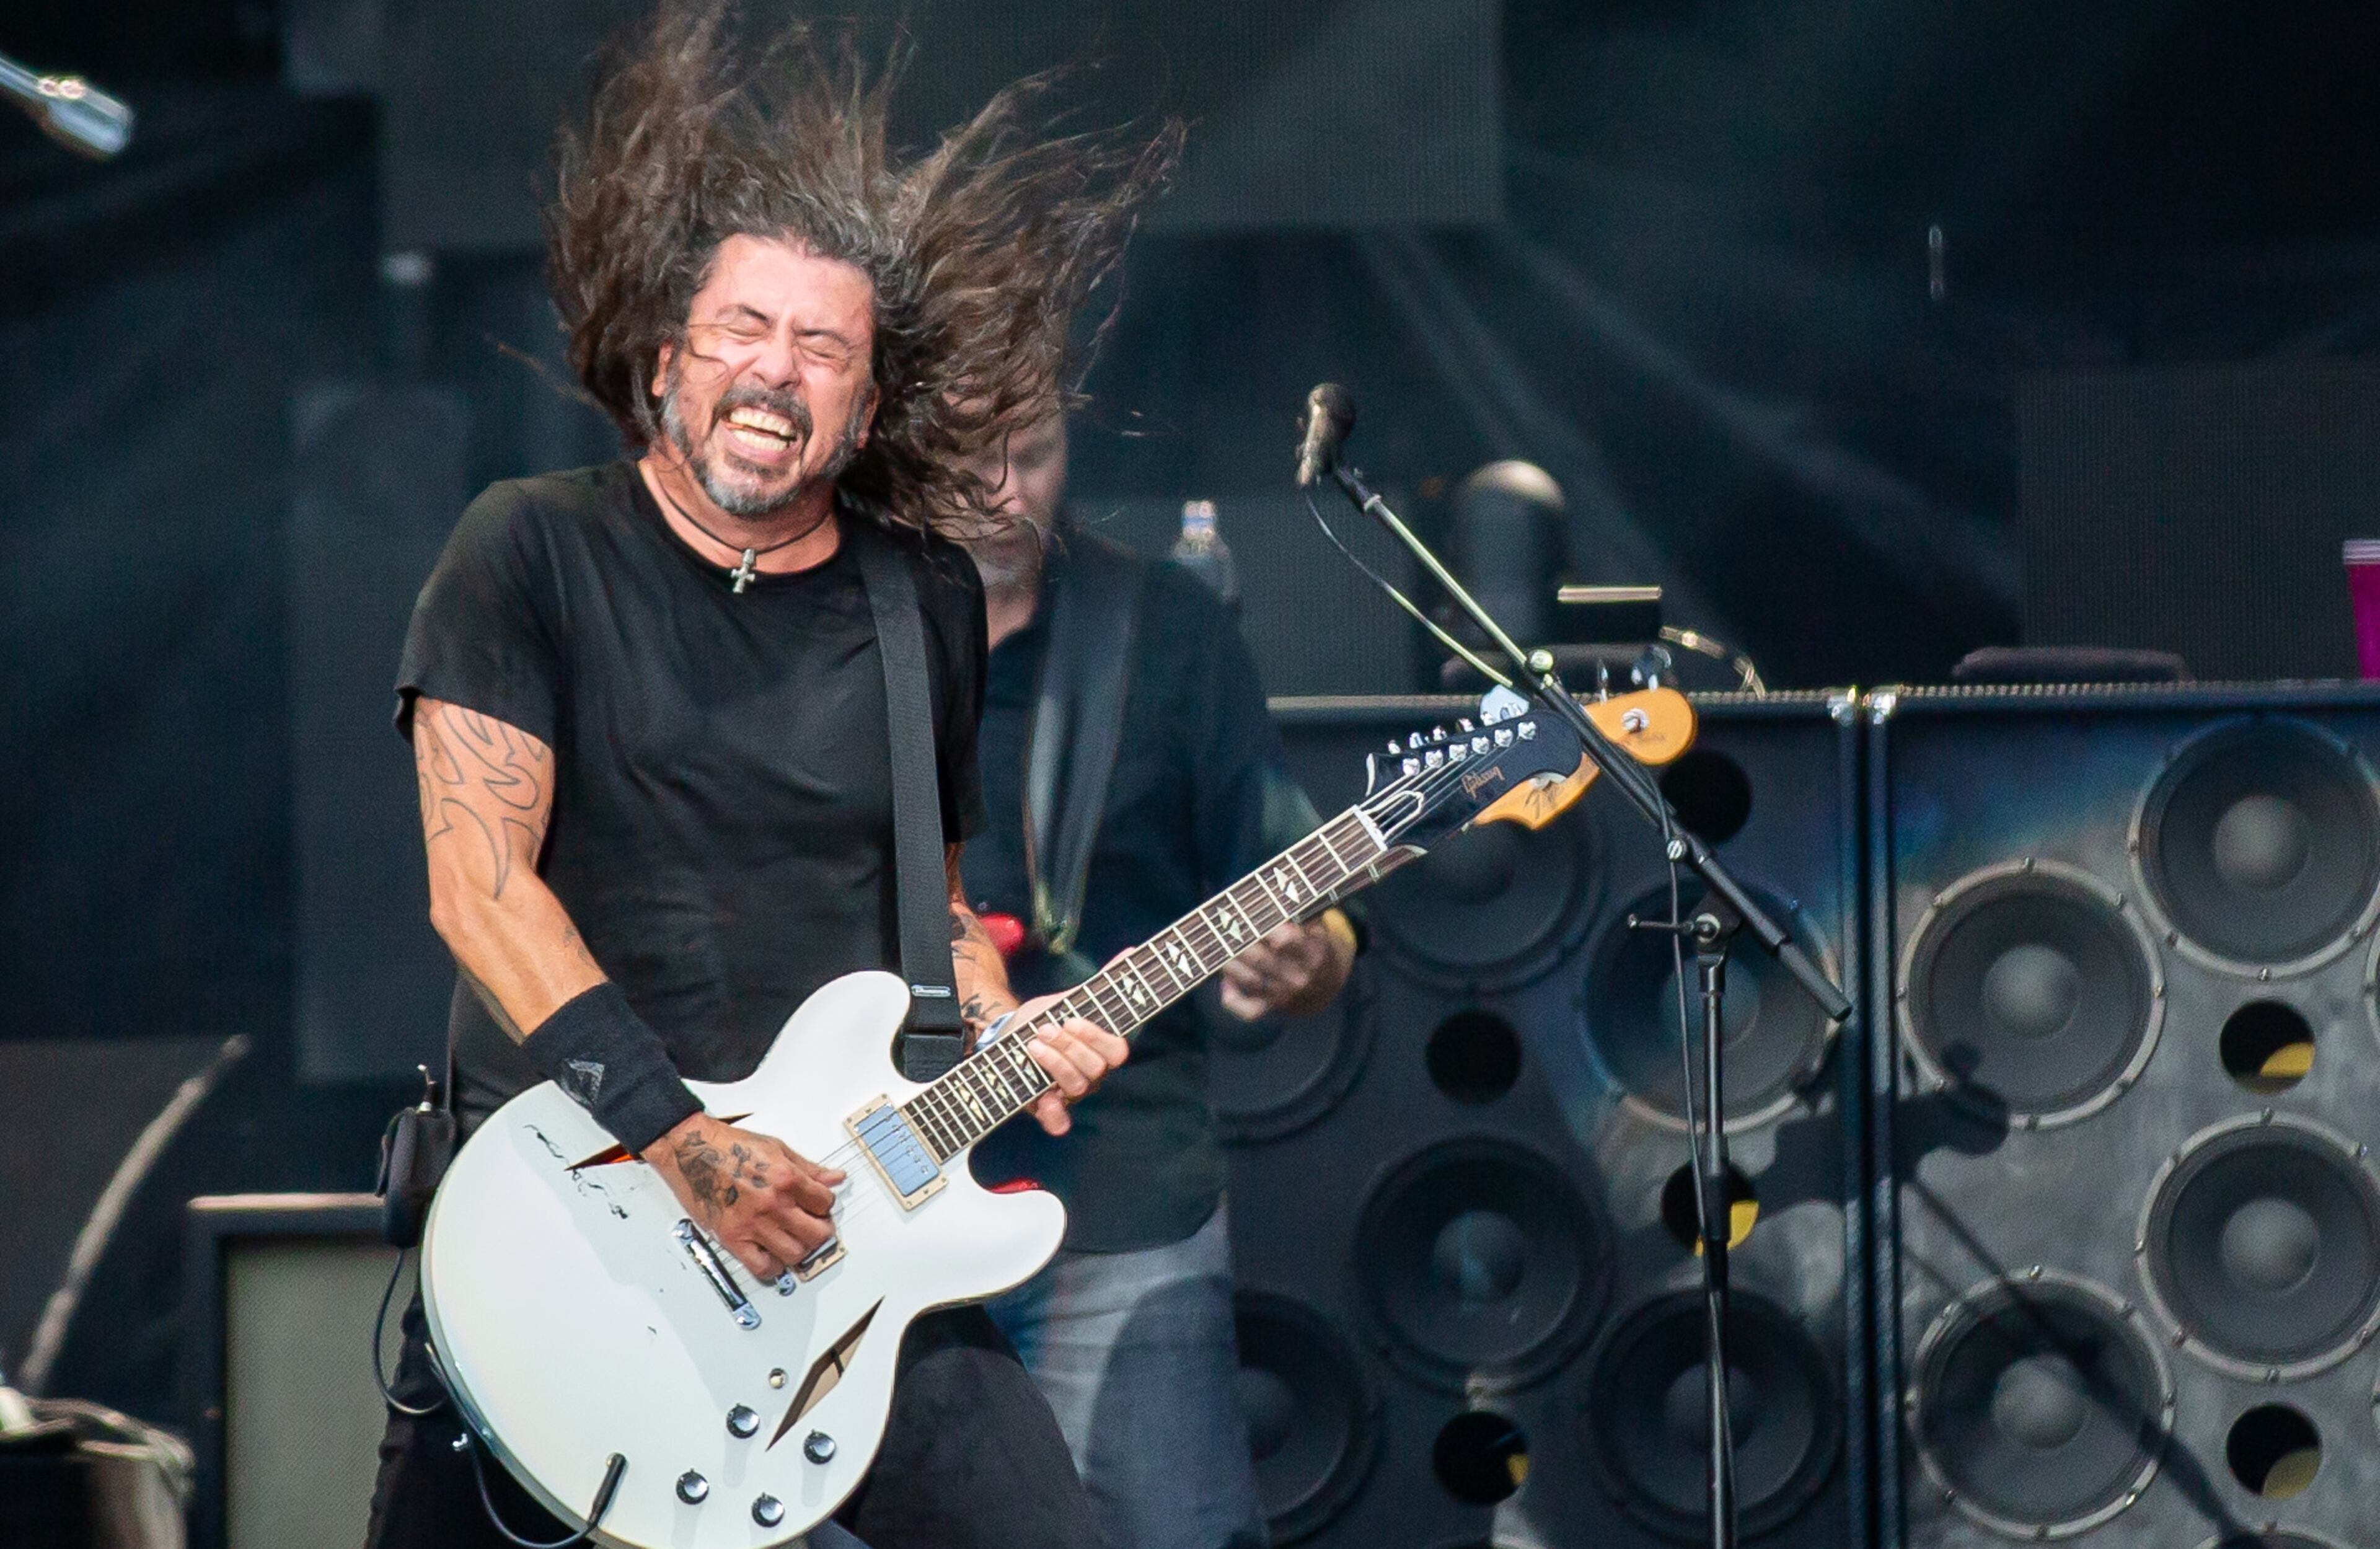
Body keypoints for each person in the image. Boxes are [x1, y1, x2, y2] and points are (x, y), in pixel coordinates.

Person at [365, 9, 1181, 1548]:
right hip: (577, 1227)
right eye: (742, 329)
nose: (774, 370)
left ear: (863, 409)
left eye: (821, 346)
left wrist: (1007, 1025)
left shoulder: (919, 594)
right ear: (668, 360)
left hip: (842, 1231)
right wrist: (690, 1143)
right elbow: (477, 886)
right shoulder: (528, 547)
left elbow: (928, 904)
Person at [957, 403, 1360, 1549]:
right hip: (866, 1186)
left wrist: (1303, 960)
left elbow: (1307, 912)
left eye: (1031, 451)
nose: (1003, 488)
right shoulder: (837, 630)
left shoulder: (1165, 632)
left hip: (1124, 1193)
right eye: (969, 453)